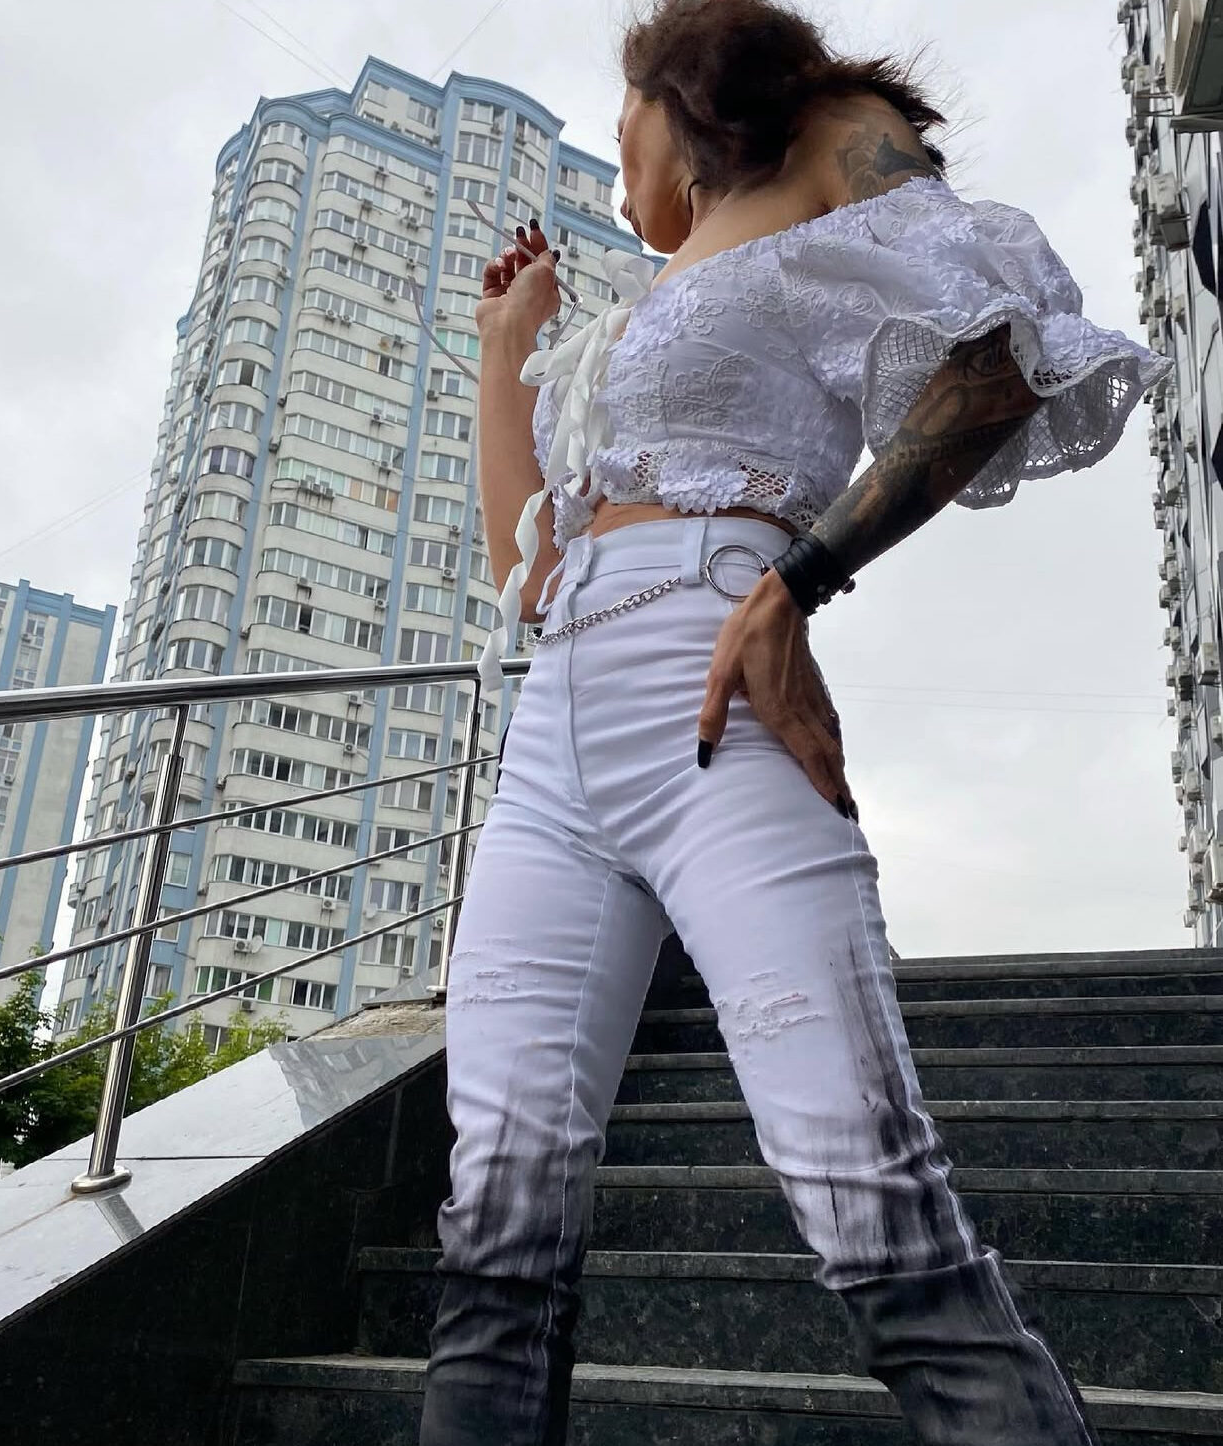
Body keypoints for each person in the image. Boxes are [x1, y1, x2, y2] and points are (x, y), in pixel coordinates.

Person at [419, 2, 1174, 1442]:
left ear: (666, 97)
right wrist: (504, 346)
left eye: (615, 118)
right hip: (551, 737)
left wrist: (799, 579)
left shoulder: (832, 151)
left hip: (713, 692)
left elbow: (1001, 357)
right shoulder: (635, 308)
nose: (609, 154)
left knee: (865, 1189)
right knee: (494, 1218)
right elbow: (524, 566)